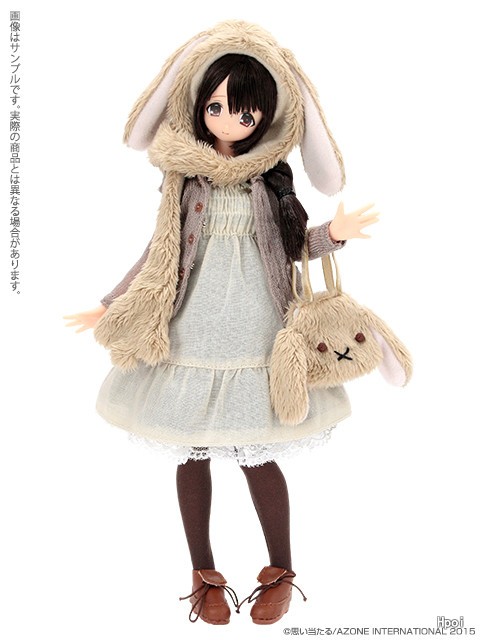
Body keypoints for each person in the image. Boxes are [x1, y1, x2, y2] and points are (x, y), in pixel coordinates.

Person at [65, 21, 378, 626]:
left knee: (258, 454)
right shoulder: (184, 180)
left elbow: (293, 246)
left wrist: (334, 236)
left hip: (259, 334)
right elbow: (158, 251)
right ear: (199, 108)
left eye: (244, 111)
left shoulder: (271, 180)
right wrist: (112, 302)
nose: (229, 120)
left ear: (264, 119)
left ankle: (281, 568)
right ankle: (203, 572)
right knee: (193, 452)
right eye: (216, 107)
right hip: (191, 329)